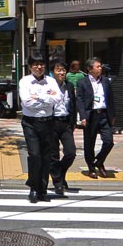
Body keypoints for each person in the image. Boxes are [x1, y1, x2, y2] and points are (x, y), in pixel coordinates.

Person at [18, 54, 64, 203]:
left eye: (41, 64)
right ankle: (33, 187)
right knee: (35, 155)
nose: (39, 67)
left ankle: (42, 189)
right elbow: (27, 102)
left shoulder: (50, 81)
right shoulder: (25, 81)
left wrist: (39, 97)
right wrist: (47, 99)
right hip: (30, 123)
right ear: (30, 66)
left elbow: (58, 98)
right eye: (36, 64)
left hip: (48, 122)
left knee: (46, 157)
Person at [76, 57, 116, 178]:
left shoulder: (105, 81)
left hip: (104, 114)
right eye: (98, 66)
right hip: (91, 115)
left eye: (100, 66)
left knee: (109, 141)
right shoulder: (82, 82)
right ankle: (91, 167)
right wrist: (82, 116)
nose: (100, 68)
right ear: (89, 69)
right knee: (89, 143)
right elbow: (80, 100)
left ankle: (99, 161)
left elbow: (111, 99)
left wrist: (113, 115)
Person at [48, 60, 78, 196]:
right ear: (53, 72)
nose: (62, 72)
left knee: (70, 152)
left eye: (63, 70)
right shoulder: (48, 87)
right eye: (58, 70)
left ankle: (60, 172)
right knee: (53, 155)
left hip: (66, 122)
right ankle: (58, 183)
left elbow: (73, 104)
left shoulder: (69, 86)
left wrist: (73, 122)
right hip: (52, 122)